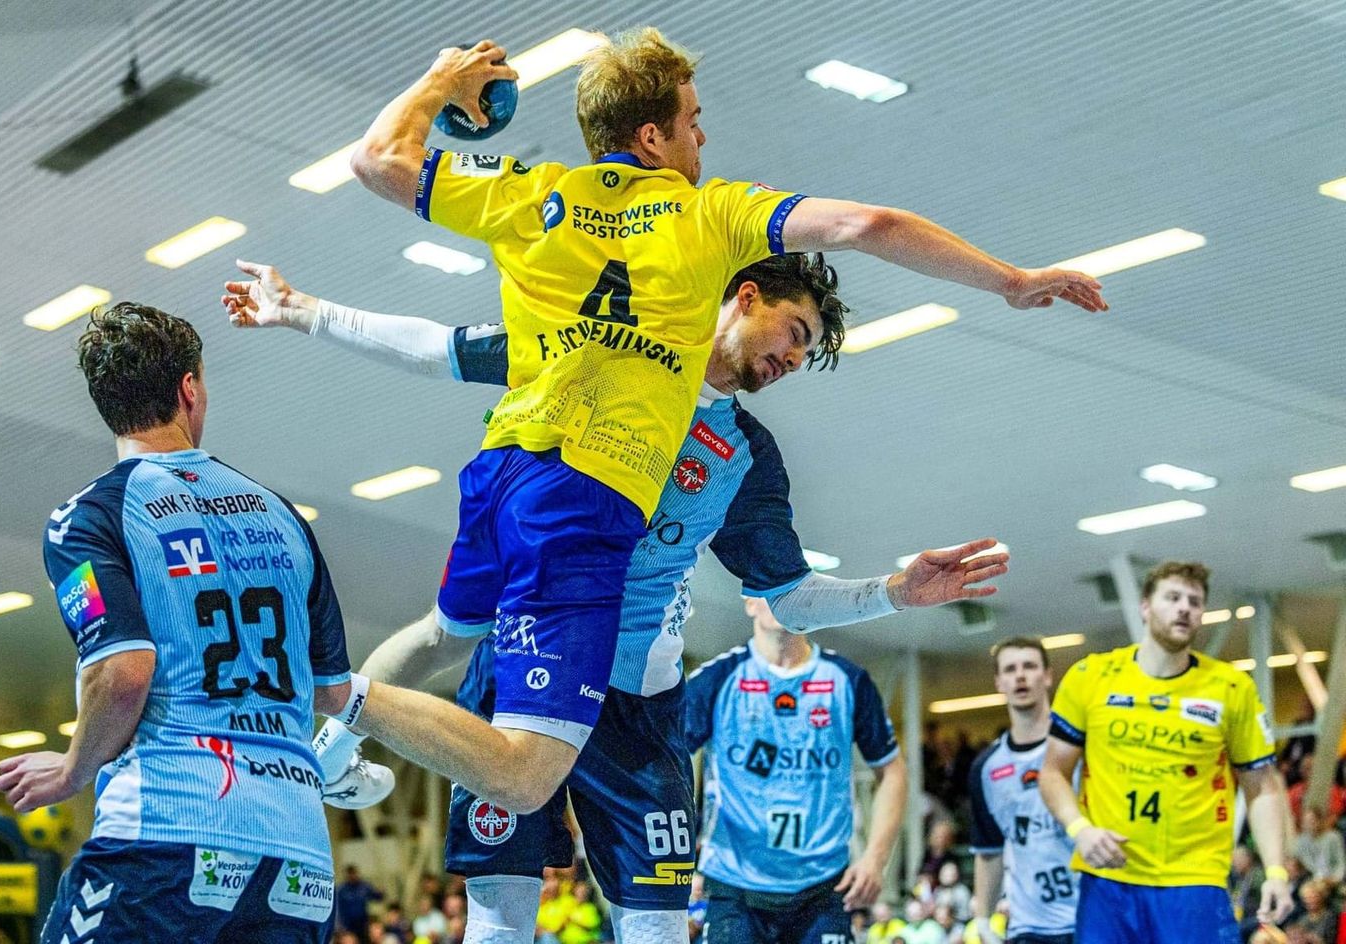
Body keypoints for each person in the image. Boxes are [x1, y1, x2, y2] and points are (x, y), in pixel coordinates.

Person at [328, 21, 1105, 864]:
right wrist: (1010, 281)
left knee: (446, 634)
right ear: (652, 136)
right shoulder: (710, 214)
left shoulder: (531, 191)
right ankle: (320, 694)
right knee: (523, 779)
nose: (703, 138)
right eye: (693, 122)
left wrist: (442, 78)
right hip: (583, 497)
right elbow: (869, 222)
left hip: (502, 469)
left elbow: (377, 159)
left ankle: (328, 749)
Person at [225, 250, 1007, 943]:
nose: (795, 358)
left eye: (808, 352)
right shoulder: (605, 349)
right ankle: (327, 751)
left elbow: (791, 597)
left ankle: (333, 732)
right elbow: (447, 349)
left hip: (637, 703)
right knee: (498, 916)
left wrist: (895, 592)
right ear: (745, 297)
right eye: (795, 332)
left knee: (658, 927)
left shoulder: (746, 457)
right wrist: (304, 310)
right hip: (529, 658)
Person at [0, 303, 376, 943]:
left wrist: (71, 771)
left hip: (167, 835)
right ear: (189, 389)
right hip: (300, 860)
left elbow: (123, 673)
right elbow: (332, 690)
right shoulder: (282, 516)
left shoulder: (88, 517)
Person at [1038, 560, 1294, 942]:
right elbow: (1052, 772)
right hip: (1110, 880)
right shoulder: (1091, 677)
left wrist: (1275, 871)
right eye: (1173, 598)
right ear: (1145, 606)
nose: (1184, 608)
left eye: (1194, 601)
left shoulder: (1231, 688)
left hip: (1194, 882)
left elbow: (1263, 786)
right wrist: (1080, 830)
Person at [684, 597, 908, 944]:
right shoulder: (717, 679)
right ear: (749, 602)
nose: (780, 598)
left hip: (824, 885)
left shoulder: (847, 680)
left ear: (809, 601)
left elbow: (892, 771)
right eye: (768, 589)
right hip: (735, 886)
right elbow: (664, 763)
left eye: (791, 589)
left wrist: (875, 860)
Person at [967, 637, 1076, 944]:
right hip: (1029, 927)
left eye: (1029, 666)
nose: (1020, 676)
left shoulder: (1080, 746)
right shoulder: (986, 768)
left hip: (1092, 916)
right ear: (999, 683)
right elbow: (989, 851)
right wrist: (983, 921)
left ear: (1047, 676)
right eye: (1010, 669)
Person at [1291, 807, 1346, 884]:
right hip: (1311, 880)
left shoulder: (1333, 838)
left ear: (1320, 821)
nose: (1309, 825)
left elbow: (1341, 864)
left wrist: (1335, 880)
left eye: (1312, 821)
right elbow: (1293, 858)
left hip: (1332, 880)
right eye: (1306, 821)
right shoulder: (1301, 841)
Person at [338, 867, 385, 942]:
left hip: (363, 923)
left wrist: (381, 893)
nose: (352, 876)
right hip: (348, 925)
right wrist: (341, 925)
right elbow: (338, 908)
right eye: (350, 874)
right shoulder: (342, 890)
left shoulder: (364, 887)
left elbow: (377, 897)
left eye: (354, 874)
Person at [1288, 878, 1340, 944]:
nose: (1309, 901)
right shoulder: (1303, 919)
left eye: (1314, 897)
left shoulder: (1330, 917)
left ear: (1322, 897)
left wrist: (1309, 937)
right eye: (1306, 898)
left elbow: (1330, 941)